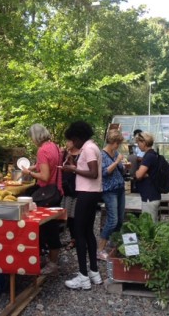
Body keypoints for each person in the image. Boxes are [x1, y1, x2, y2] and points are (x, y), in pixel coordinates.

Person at [62, 121, 103, 290]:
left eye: (73, 139)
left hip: (86, 194)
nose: (73, 143)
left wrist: (73, 170)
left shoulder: (88, 149)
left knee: (79, 233)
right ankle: (94, 271)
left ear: (78, 137)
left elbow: (93, 173)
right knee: (88, 232)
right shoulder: (92, 147)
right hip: (92, 194)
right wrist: (74, 164)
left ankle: (83, 276)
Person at [21, 124, 63, 275]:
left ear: (35, 136)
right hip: (56, 191)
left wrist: (29, 173)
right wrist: (33, 167)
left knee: (46, 229)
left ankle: (50, 263)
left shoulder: (42, 150)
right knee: (52, 227)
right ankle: (52, 260)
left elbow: (44, 176)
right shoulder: (54, 146)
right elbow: (48, 166)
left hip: (46, 195)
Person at [97, 129, 126, 261]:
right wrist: (116, 162)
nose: (118, 146)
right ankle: (100, 249)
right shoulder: (102, 155)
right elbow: (104, 172)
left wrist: (124, 165)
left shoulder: (116, 153)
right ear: (112, 142)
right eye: (117, 143)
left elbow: (120, 169)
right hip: (110, 190)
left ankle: (112, 244)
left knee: (120, 219)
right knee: (112, 220)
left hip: (120, 188)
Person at [134, 131, 161, 222]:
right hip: (153, 195)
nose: (138, 145)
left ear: (144, 142)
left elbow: (138, 175)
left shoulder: (148, 156)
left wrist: (139, 172)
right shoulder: (154, 154)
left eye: (139, 143)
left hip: (150, 197)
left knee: (149, 226)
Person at [61, 139, 80, 250]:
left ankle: (77, 239)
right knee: (68, 216)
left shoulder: (81, 154)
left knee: (75, 216)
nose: (67, 143)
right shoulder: (64, 153)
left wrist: (72, 163)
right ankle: (73, 238)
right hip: (67, 188)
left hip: (77, 188)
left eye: (69, 140)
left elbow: (80, 170)